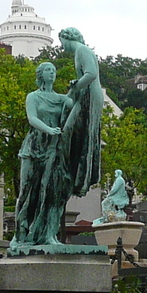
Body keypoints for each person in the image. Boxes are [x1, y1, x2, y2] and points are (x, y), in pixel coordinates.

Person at [10, 61, 75, 252]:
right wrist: (49, 130)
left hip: (53, 149)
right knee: (27, 190)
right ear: (40, 74)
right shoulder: (33, 97)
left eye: (54, 71)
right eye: (48, 70)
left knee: (50, 191)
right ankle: (20, 234)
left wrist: (75, 87)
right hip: (34, 146)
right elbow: (32, 118)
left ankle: (48, 234)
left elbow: (74, 104)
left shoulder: (61, 98)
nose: (52, 73)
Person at [57, 28, 102, 197]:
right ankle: (74, 173)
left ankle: (79, 177)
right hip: (85, 94)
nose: (62, 47)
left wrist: (75, 86)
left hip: (90, 95)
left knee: (77, 132)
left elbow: (90, 74)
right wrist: (69, 94)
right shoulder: (80, 52)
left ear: (68, 38)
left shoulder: (82, 50)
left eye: (62, 41)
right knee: (73, 131)